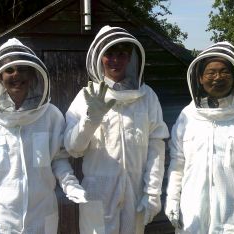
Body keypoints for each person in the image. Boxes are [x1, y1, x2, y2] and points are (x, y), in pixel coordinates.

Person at [64, 25, 169, 234]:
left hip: (136, 192)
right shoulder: (86, 96)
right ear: (99, 58)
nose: (115, 60)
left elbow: (156, 147)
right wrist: (90, 120)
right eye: (109, 54)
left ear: (130, 58)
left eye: (122, 54)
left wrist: (153, 192)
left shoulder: (147, 97)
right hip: (98, 194)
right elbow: (72, 148)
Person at [0, 38, 87, 234]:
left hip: (42, 216)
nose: (16, 75)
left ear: (33, 74)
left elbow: (58, 159)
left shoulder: (50, 115)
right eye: (9, 70)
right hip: (1, 219)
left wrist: (70, 184)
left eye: (23, 69)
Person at [165, 41, 234, 233]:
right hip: (193, 212)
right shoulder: (187, 116)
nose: (217, 77)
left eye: (225, 71)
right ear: (200, 78)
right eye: (211, 72)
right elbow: (178, 163)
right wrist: (173, 198)